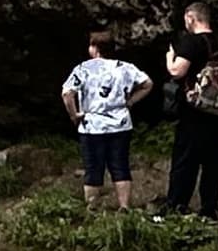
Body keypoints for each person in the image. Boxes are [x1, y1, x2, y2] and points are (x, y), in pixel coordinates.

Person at [160, 3, 218, 219]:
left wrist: (169, 57)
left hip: (194, 111)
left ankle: (175, 207)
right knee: (214, 162)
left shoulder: (191, 42)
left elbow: (177, 72)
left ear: (191, 18)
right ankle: (209, 210)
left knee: (185, 159)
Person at [61, 29, 151, 208]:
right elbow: (147, 84)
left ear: (95, 48)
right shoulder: (125, 68)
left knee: (93, 168)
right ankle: (124, 206)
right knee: (120, 166)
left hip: (92, 125)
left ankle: (92, 207)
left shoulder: (83, 68)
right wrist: (131, 101)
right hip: (121, 124)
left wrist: (75, 115)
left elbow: (67, 93)